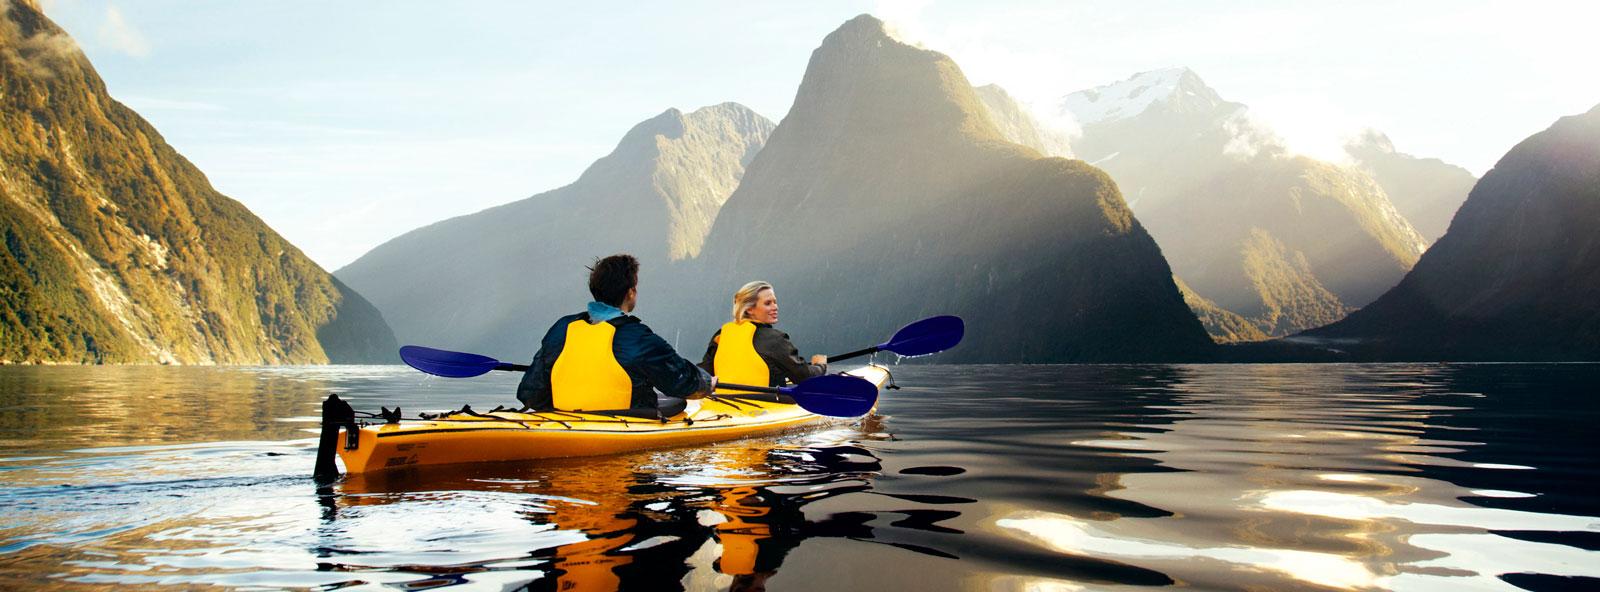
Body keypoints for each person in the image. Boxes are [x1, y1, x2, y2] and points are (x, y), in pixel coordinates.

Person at [517, 254, 713, 414]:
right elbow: (683, 383)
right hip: (626, 422)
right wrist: (707, 382)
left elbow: (530, 393)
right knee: (678, 403)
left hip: (565, 421)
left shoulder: (561, 329)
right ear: (630, 292)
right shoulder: (638, 338)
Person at [701, 281, 827, 390]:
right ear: (749, 309)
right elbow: (805, 377)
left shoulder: (722, 334)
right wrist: (820, 366)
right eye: (768, 303)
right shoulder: (775, 339)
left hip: (725, 407)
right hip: (766, 408)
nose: (775, 307)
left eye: (775, 302)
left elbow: (703, 373)